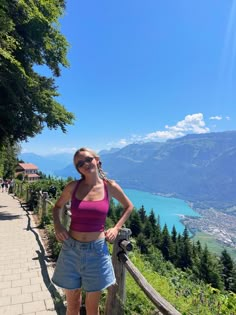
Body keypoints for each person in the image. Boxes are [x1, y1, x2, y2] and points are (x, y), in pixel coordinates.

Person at [51, 147, 133, 315]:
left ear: (97, 160)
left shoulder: (109, 186)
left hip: (97, 251)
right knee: (72, 304)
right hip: (71, 250)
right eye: (80, 163)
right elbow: (57, 207)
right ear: (78, 169)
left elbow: (129, 206)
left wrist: (116, 228)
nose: (85, 164)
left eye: (88, 159)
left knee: (92, 308)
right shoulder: (72, 187)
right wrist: (58, 226)